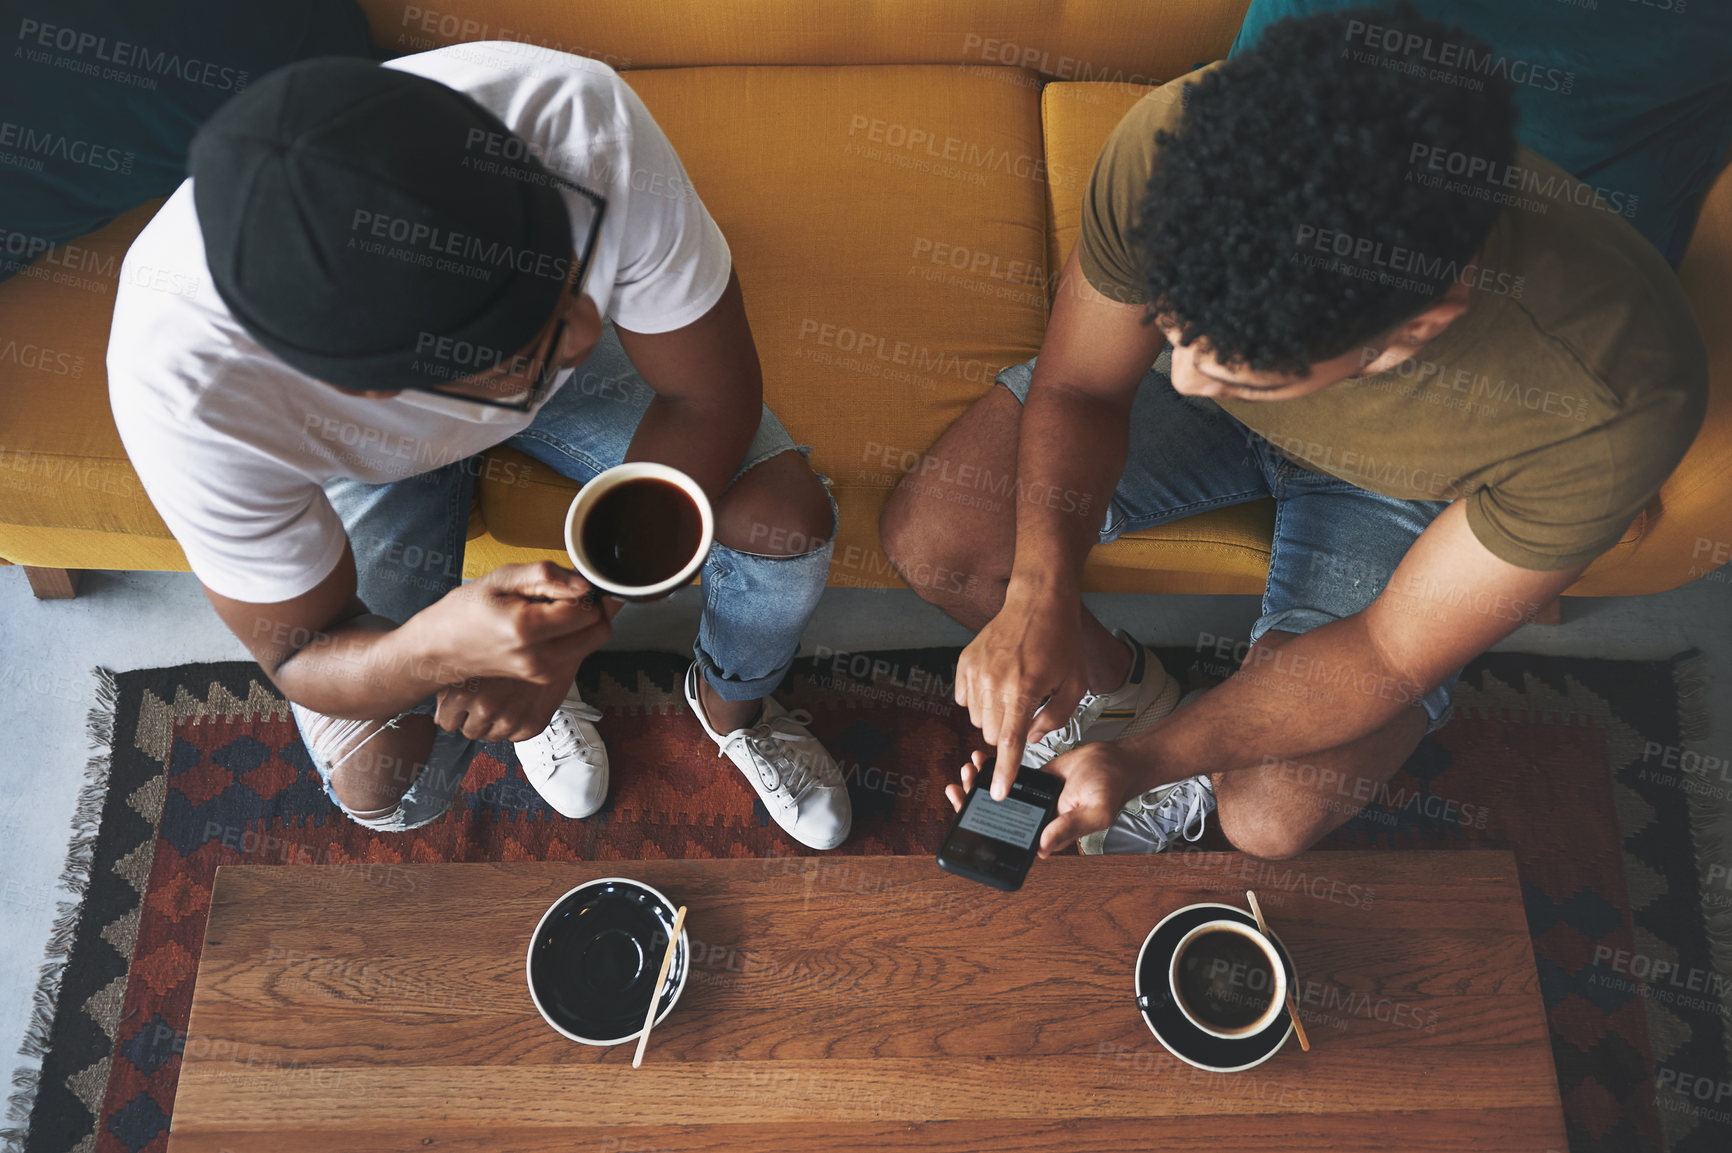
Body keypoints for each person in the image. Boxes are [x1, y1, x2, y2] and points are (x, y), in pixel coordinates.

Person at [881, 7, 1706, 859]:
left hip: (1418, 485)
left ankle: (1174, 748)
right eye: (1173, 324)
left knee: (1270, 818)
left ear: (1417, 328)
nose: (1191, 378)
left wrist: (1146, 763)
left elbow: (1389, 652)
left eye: (1240, 370)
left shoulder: (1609, 404)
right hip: (1292, 335)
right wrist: (1037, 595)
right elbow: (1088, 387)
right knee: (943, 538)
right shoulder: (1176, 143)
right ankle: (1136, 695)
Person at [107, 43, 852, 849]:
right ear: (370, 390)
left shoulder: (573, 121)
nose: (592, 328)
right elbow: (300, 655)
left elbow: (708, 395)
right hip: (360, 459)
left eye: (564, 275)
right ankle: (519, 684)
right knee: (384, 789)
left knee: (785, 523)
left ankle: (732, 705)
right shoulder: (187, 394)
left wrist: (574, 625)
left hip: (459, 373)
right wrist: (434, 653)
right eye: (527, 343)